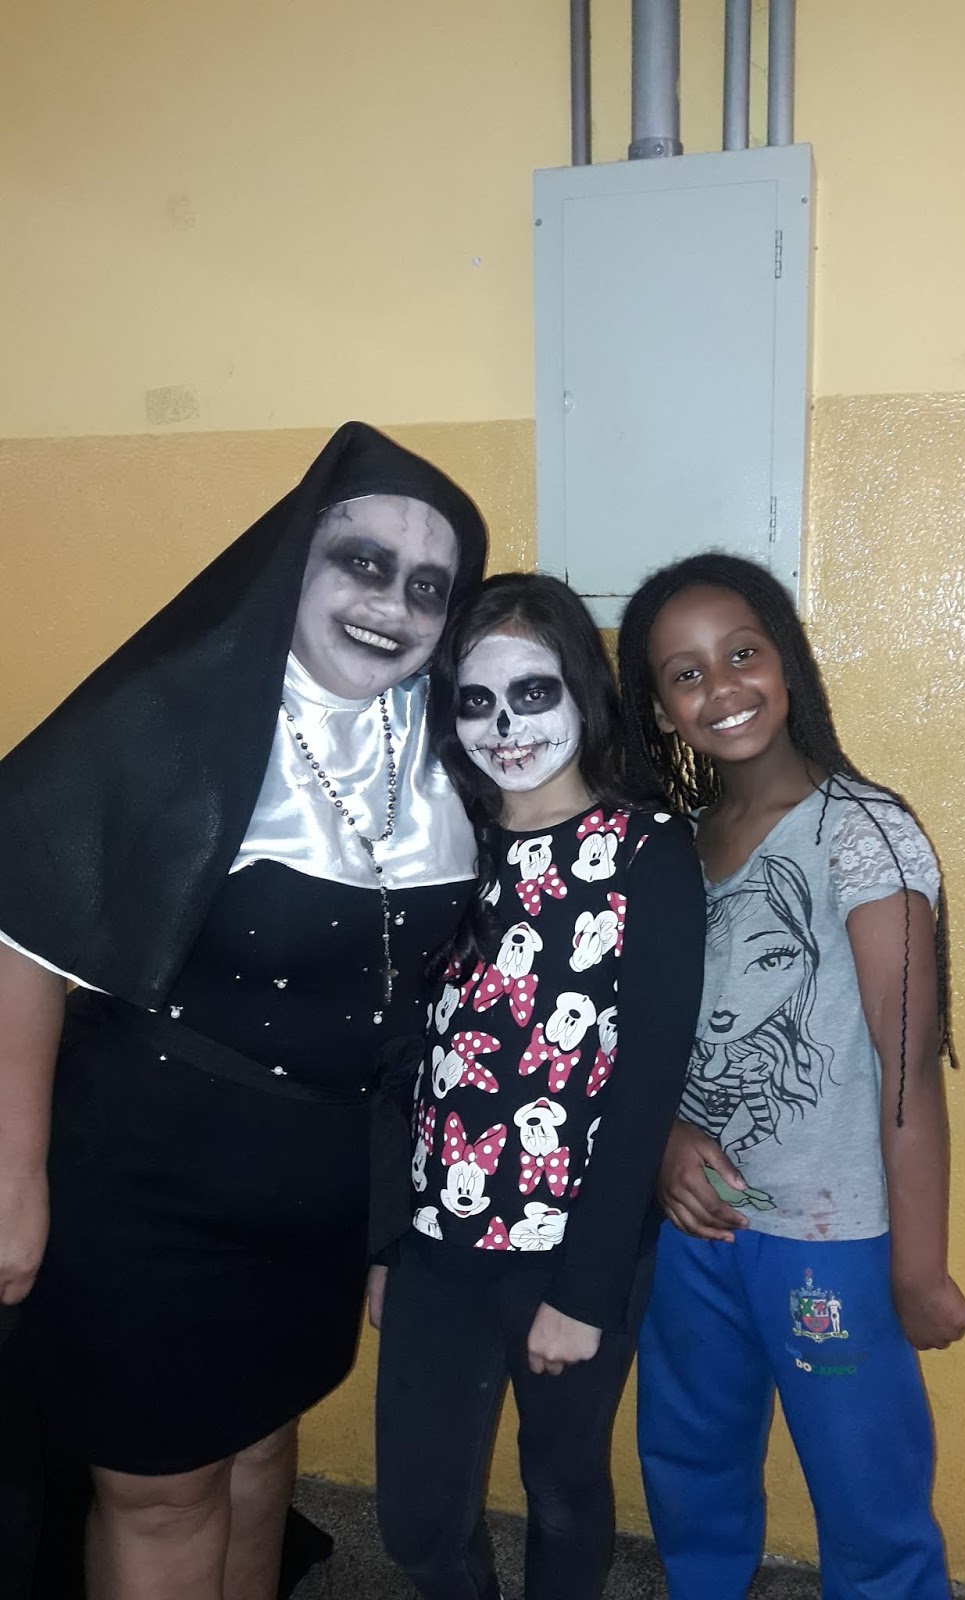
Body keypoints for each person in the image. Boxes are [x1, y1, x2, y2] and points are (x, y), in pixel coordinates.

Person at [0, 421, 487, 1600]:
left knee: (265, 1447)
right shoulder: (174, 714)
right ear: (293, 562)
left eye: (429, 585)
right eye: (363, 562)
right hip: (147, 1179)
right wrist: (11, 1180)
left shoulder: (453, 747)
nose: (394, 604)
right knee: (164, 1493)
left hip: (317, 1188)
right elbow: (21, 933)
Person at [617, 553, 965, 1600]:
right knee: (689, 1461)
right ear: (661, 709)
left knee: (868, 1489)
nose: (722, 687)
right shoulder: (672, 848)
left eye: (742, 654)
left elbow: (908, 1068)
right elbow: (644, 1041)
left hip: (831, 1240)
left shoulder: (863, 833)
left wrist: (919, 1267)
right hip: (694, 1228)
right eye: (686, 673)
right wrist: (663, 1142)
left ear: (786, 662)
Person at [371, 573, 706, 1600]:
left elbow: (646, 1084)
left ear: (582, 694)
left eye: (532, 692)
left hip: (576, 1247)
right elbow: (397, 1056)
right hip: (435, 1242)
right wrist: (384, 1243)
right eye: (477, 700)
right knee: (417, 1522)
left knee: (561, 1491)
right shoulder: (436, 844)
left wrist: (584, 1291)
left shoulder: (648, 852)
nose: (506, 727)